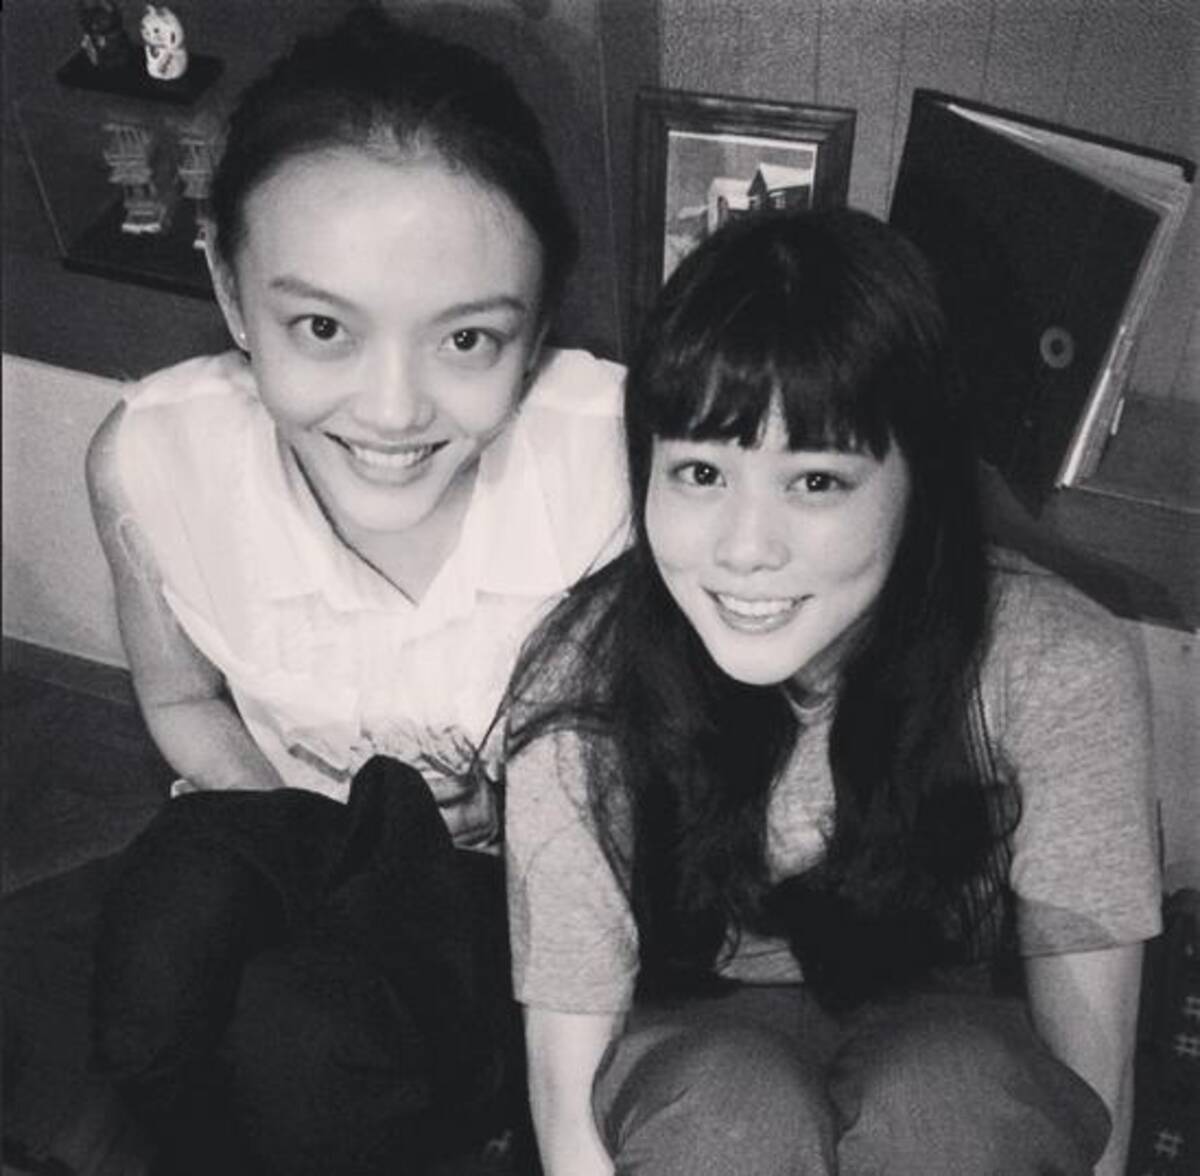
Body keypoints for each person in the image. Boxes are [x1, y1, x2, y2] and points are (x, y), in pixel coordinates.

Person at [2, 8, 628, 1176]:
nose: (391, 412)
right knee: (152, 981)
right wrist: (326, 841)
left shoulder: (609, 463)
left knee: (307, 1045)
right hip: (290, 823)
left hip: (503, 881)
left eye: (467, 341)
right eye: (324, 326)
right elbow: (181, 700)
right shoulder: (155, 459)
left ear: (539, 324)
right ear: (232, 294)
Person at [503, 209, 1161, 1176]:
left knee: (948, 1100)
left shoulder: (1058, 663)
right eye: (699, 472)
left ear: (920, 482)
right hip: (688, 1051)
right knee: (731, 1111)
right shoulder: (582, 677)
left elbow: (1091, 1080)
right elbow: (568, 1102)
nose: (744, 549)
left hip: (958, 1037)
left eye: (816, 482)